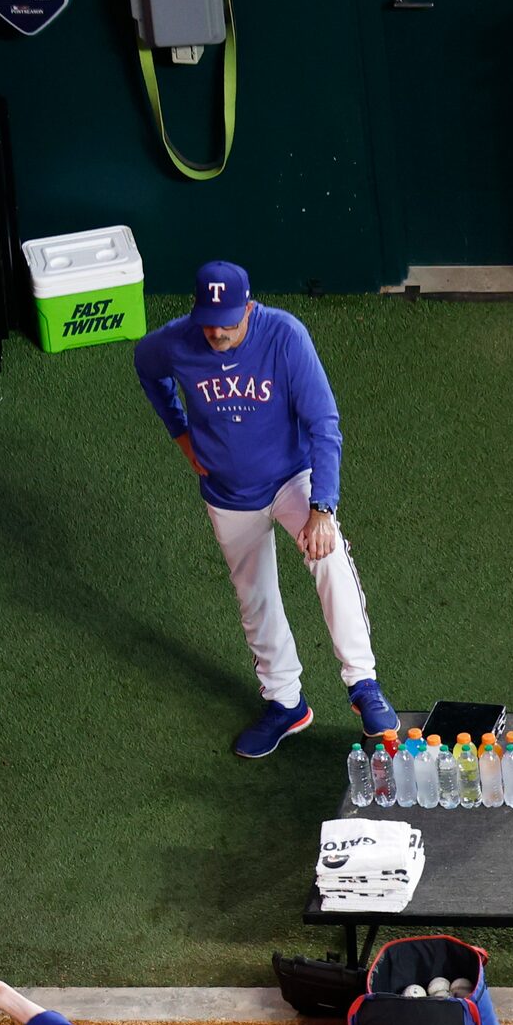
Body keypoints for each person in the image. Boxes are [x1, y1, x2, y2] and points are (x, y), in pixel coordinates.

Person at [133, 259, 397, 758]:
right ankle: (285, 704)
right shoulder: (173, 341)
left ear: (249, 308)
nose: (216, 333)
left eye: (228, 322)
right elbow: (147, 368)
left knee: (329, 557)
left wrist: (322, 507)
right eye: (208, 321)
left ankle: (363, 685)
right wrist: (181, 435)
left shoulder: (284, 336)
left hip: (291, 480)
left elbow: (324, 423)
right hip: (228, 494)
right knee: (254, 596)